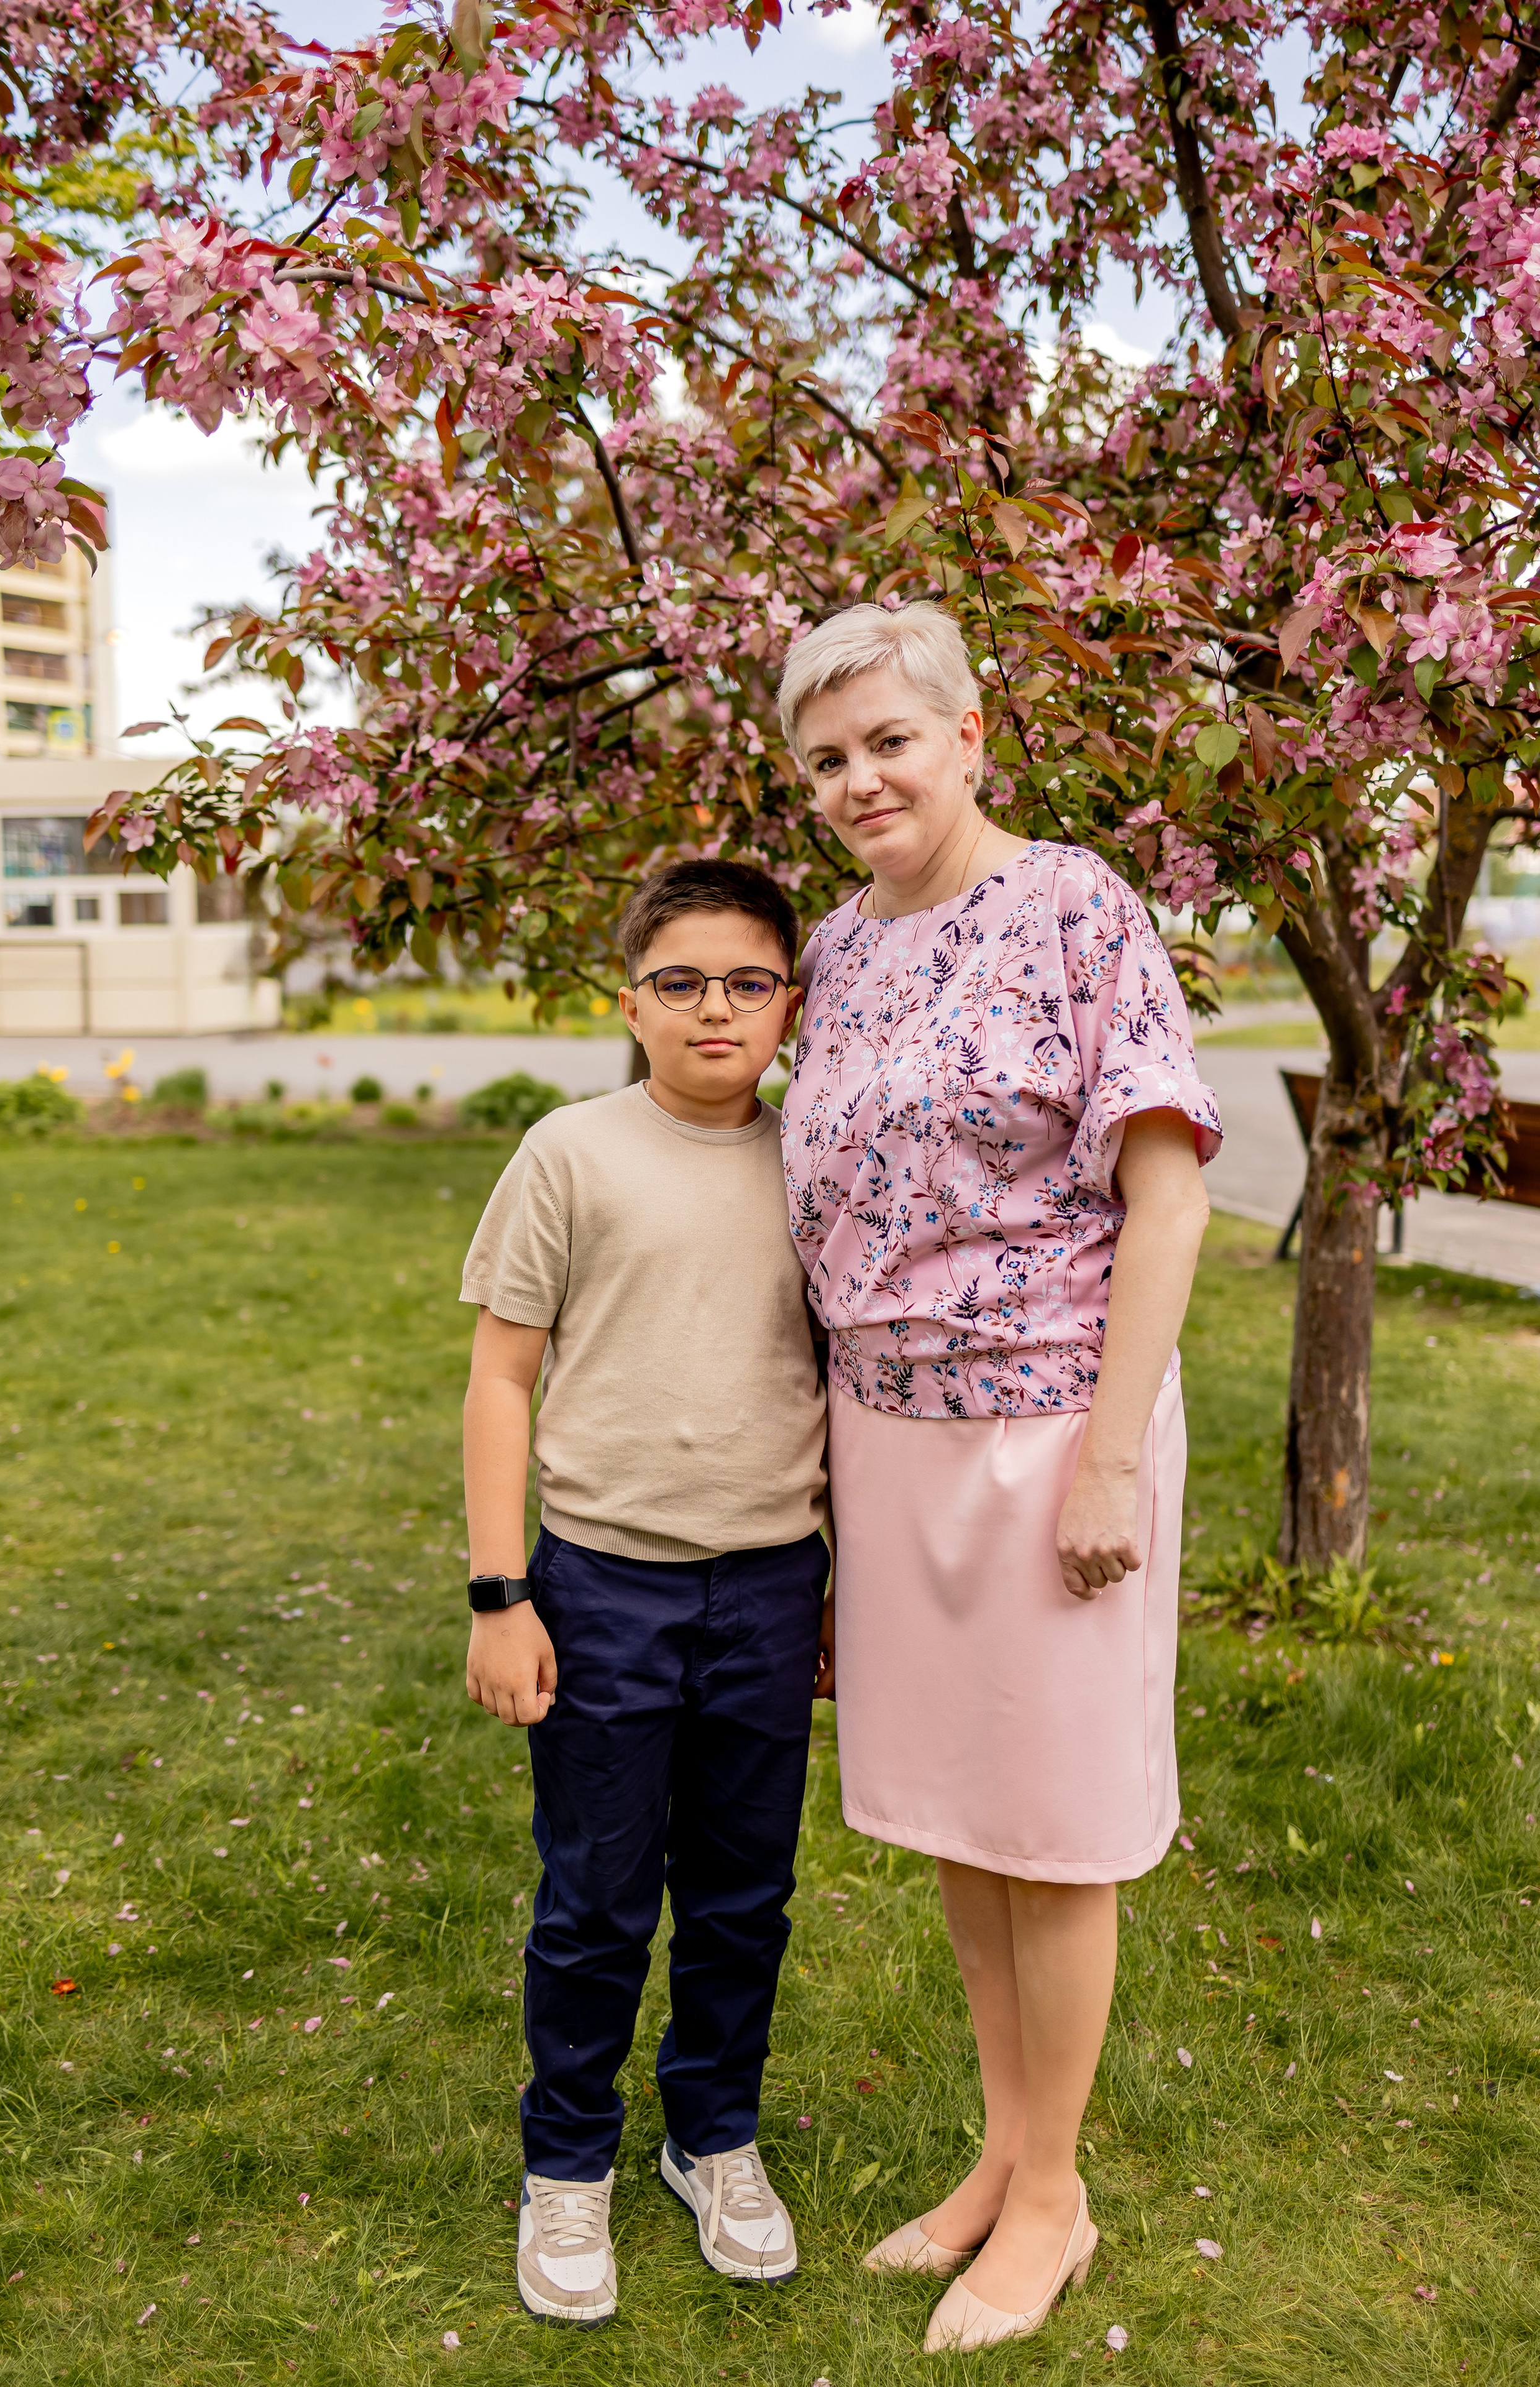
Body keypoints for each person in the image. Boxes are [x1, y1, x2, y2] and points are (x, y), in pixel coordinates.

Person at [777, 602, 1221, 2355]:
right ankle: (1000, 2156)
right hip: (888, 1440)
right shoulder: (837, 945)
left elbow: (1168, 1191)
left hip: (1052, 1437)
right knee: (967, 1819)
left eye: (889, 739)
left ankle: (1056, 2202)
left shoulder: (1075, 905)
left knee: (1057, 1824)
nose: (860, 779)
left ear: (970, 732)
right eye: (826, 758)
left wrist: (1112, 1458)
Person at [459, 857, 832, 2327]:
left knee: (743, 1895)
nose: (714, 1008)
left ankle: (712, 2139)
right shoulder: (569, 1153)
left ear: (788, 1002)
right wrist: (502, 1591)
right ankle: (568, 2167)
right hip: (602, 1584)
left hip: (770, 1583)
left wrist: (833, 1592)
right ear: (631, 1002)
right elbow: (500, 1377)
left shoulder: (819, 1159)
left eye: (747, 980)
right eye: (680, 982)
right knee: (597, 1897)